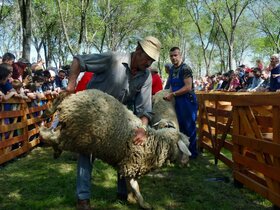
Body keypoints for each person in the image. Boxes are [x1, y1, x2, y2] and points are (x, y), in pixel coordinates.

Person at [65, 36, 161, 210]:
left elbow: (145, 108)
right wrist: (71, 86)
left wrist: (142, 127)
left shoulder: (146, 76)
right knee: (87, 152)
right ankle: (83, 199)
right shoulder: (113, 59)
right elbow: (79, 61)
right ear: (138, 51)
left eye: (152, 60)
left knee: (127, 148)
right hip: (93, 111)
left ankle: (123, 194)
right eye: (147, 58)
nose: (149, 63)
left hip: (119, 116)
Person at [164, 47, 198, 159]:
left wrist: (173, 94)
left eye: (175, 55)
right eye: (171, 56)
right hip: (178, 101)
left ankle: (192, 154)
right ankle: (183, 153)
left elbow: (188, 87)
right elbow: (171, 85)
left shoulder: (185, 69)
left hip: (187, 101)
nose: (173, 58)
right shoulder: (172, 69)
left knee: (189, 127)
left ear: (180, 55)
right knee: (180, 127)